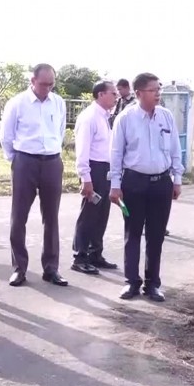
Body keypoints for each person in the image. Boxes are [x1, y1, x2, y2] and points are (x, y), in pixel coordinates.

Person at [108, 72, 183, 302]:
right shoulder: (125, 118)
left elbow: (175, 149)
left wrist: (177, 179)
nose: (158, 94)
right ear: (139, 93)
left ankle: (152, 284)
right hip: (133, 184)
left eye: (159, 89)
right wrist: (115, 185)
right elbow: (116, 154)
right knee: (132, 233)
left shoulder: (166, 117)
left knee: (156, 235)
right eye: (153, 90)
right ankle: (131, 282)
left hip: (161, 183)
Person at [0, 63, 68, 287]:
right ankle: (19, 268)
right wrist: (16, 160)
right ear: (32, 81)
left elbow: (60, 131)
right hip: (25, 161)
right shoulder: (17, 103)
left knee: (52, 217)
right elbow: (6, 136)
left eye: (51, 84)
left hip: (52, 162)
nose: (47, 88)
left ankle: (51, 267)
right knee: (19, 216)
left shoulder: (58, 102)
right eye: (43, 84)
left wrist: (53, 152)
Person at [70, 80, 118, 275]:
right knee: (89, 215)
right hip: (93, 169)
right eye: (113, 93)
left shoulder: (105, 117)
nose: (116, 97)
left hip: (105, 169)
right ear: (101, 94)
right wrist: (86, 178)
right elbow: (82, 150)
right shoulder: (89, 117)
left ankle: (95, 253)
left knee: (101, 213)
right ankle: (80, 257)